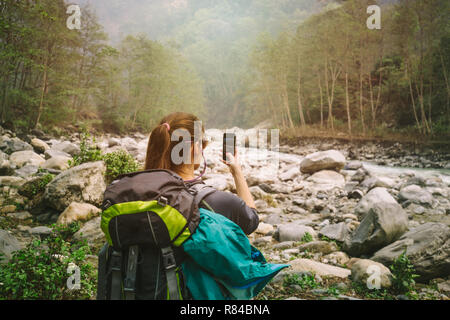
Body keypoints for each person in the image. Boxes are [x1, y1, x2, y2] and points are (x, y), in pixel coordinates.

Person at [144, 112, 259, 235]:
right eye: (202, 142)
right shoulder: (217, 202)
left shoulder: (136, 191)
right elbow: (251, 220)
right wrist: (237, 172)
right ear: (195, 147)